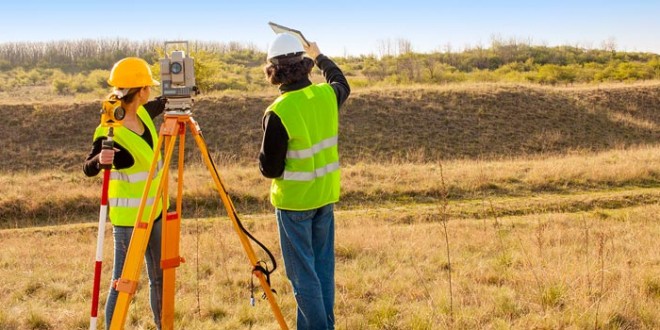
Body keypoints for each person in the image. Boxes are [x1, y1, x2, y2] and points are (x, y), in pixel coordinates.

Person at [259, 33, 350, 330]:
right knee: (322, 270)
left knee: (303, 277)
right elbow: (341, 82)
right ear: (305, 64)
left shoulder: (280, 111)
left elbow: (270, 169)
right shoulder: (326, 95)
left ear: (274, 71)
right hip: (324, 197)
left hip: (295, 204)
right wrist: (320, 55)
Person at [83, 57, 168, 329]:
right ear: (140, 90)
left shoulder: (143, 112)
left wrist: (184, 90)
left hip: (154, 211)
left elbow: (162, 103)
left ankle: (162, 324)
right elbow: (88, 168)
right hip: (128, 221)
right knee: (122, 283)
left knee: (159, 277)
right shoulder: (110, 128)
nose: (151, 92)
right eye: (149, 87)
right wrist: (100, 160)